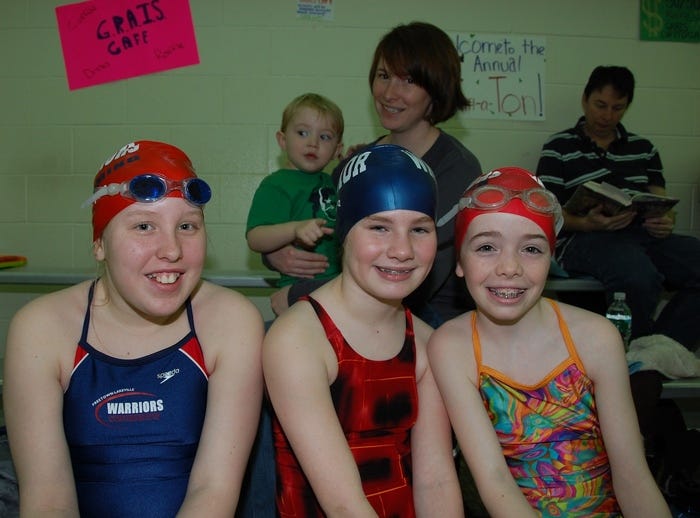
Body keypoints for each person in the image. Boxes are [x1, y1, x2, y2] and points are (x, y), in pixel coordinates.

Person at [3, 140, 264, 517]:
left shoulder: (230, 321)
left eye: (187, 225)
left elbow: (214, 491)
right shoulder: (42, 329)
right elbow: (47, 500)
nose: (171, 250)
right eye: (144, 226)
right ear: (99, 244)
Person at [427, 166, 671, 516]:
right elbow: (496, 482)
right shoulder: (452, 347)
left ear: (551, 260)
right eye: (486, 247)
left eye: (531, 249)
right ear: (459, 261)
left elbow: (632, 475)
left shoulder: (596, 337)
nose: (509, 267)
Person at [263, 143, 463, 517]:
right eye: (379, 227)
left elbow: (436, 478)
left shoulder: (427, 343)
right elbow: (343, 505)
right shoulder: (300, 339)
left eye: (419, 229)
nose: (402, 250)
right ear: (344, 231)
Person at [266, 21, 482, 326]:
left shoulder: (457, 168)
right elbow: (318, 228)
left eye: (408, 80)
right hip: (345, 313)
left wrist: (300, 293)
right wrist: (278, 253)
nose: (389, 93)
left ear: (436, 87)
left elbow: (412, 272)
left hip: (424, 323)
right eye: (383, 76)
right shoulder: (357, 162)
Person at [536, 65, 700, 352]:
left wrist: (664, 220)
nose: (607, 115)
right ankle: (633, 363)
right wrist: (588, 223)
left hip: (642, 235)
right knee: (637, 275)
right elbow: (547, 213)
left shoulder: (644, 148)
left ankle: (657, 351)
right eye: (600, 105)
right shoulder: (558, 147)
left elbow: (661, 201)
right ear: (585, 99)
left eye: (617, 108)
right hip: (582, 238)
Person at [246, 92, 344, 289]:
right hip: (297, 287)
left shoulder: (333, 182)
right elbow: (255, 238)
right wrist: (294, 229)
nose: (313, 143)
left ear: (336, 150)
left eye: (324, 137)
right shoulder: (276, 184)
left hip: (337, 286)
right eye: (302, 133)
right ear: (282, 140)